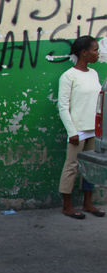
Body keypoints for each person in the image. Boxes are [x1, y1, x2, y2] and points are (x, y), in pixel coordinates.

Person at [58, 35, 105, 219]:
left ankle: (88, 203)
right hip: (77, 130)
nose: (97, 53)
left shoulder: (93, 74)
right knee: (71, 167)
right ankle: (67, 206)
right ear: (84, 53)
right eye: (94, 50)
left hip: (94, 129)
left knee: (91, 169)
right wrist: (72, 132)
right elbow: (63, 107)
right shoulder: (68, 76)